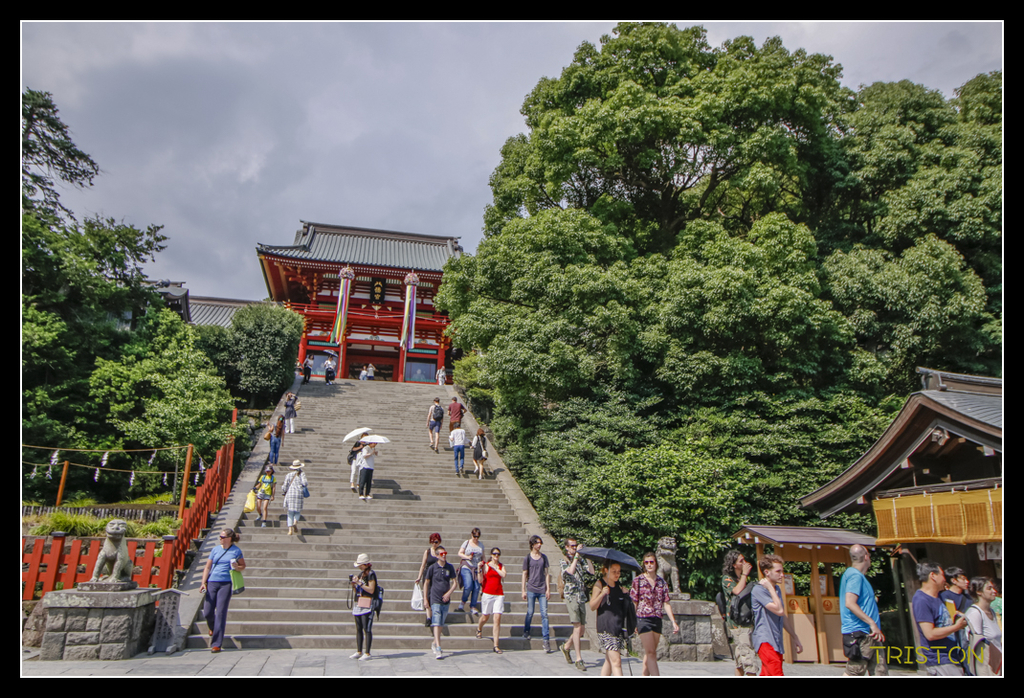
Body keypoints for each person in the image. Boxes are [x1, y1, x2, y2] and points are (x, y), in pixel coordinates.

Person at [911, 560, 968, 676]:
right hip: (939, 660)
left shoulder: (938, 597)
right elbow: (930, 634)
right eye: (942, 575)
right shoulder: (922, 600)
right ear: (933, 576)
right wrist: (956, 627)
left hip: (951, 656)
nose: (944, 579)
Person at [839, 544, 888, 676]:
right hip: (861, 632)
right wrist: (871, 622)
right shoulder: (855, 576)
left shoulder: (856, 576)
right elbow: (850, 602)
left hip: (871, 634)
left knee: (880, 671)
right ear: (866, 557)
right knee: (854, 672)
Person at [751, 554, 803, 676]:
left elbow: (782, 615)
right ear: (767, 572)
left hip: (776, 641)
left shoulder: (776, 590)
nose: (782, 575)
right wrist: (770, 588)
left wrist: (794, 637)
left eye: (782, 571)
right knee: (777, 673)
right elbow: (778, 610)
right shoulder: (759, 590)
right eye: (778, 571)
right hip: (765, 640)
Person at [631, 551, 680, 676]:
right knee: (651, 652)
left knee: (650, 654)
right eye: (646, 562)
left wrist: (673, 621)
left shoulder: (662, 582)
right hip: (643, 618)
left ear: (656, 564)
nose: (649, 565)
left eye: (651, 562)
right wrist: (632, 621)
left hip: (657, 619)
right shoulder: (638, 580)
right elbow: (634, 603)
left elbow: (666, 603)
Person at [200, 528, 245, 652]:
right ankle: (213, 627)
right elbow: (207, 566)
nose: (220, 538)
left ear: (229, 538)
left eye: (222, 537)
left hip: (226, 583)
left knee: (220, 612)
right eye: (220, 537)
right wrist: (203, 582)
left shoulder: (236, 551)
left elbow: (243, 566)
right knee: (208, 611)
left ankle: (216, 643)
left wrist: (237, 567)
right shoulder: (215, 550)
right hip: (212, 582)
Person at [721, 550, 759, 676]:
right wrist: (745, 575)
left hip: (746, 621)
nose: (744, 563)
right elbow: (737, 591)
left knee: (740, 656)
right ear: (734, 565)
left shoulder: (742, 578)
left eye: (744, 560)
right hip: (736, 623)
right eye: (741, 561)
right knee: (748, 657)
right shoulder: (727, 579)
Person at [559, 537, 591, 671]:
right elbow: (570, 572)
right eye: (572, 546)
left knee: (582, 629)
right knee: (577, 627)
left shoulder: (580, 559)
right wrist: (577, 556)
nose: (574, 548)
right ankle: (579, 659)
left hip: (581, 595)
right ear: (566, 547)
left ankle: (566, 646)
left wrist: (588, 556)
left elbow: (591, 571)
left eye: (575, 546)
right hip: (571, 596)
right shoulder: (564, 560)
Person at [590, 561, 628, 676]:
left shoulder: (619, 586)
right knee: (616, 661)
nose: (617, 574)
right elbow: (592, 606)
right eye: (614, 572)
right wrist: (602, 594)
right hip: (606, 627)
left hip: (617, 627)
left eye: (619, 572)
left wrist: (626, 594)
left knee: (609, 660)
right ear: (606, 570)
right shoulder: (600, 584)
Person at [422, 545, 457, 659]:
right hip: (435, 598)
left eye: (445, 553)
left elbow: (455, 583)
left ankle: (434, 642)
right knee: (436, 621)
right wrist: (425, 599)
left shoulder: (449, 567)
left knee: (441, 622)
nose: (444, 555)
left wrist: (449, 593)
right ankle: (438, 647)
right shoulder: (432, 568)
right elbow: (426, 583)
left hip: (445, 600)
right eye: (441, 554)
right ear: (437, 555)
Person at [965, 576, 1002, 676]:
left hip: (997, 664)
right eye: (989, 588)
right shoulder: (974, 613)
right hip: (986, 667)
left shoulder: (992, 612)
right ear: (979, 592)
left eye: (993, 588)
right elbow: (976, 644)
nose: (994, 591)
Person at [521, 534, 552, 652]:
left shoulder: (544, 557)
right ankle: (526, 630)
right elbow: (524, 574)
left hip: (542, 588)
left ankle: (546, 640)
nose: (539, 545)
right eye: (537, 543)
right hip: (531, 588)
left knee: (544, 614)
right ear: (532, 544)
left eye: (540, 543)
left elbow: (546, 574)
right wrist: (523, 589)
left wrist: (548, 589)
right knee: (530, 612)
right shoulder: (527, 558)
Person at [941, 565, 973, 667]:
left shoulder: (968, 596)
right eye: (963, 579)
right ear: (954, 581)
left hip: (970, 633)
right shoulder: (944, 596)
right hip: (955, 635)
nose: (967, 581)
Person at [476, 547, 506, 653]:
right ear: (491, 555)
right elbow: (480, 580)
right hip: (487, 593)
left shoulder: (500, 566)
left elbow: (504, 574)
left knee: (497, 619)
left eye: (498, 554)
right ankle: (479, 628)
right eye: (494, 554)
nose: (496, 556)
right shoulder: (486, 566)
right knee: (485, 617)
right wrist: (479, 569)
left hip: (499, 594)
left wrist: (495, 568)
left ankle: (496, 645)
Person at [349, 553, 377, 661]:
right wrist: (354, 585)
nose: (359, 567)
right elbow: (358, 591)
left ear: (365, 564)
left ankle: (367, 652)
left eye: (360, 564)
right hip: (359, 602)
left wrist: (359, 584)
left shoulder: (371, 574)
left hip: (367, 603)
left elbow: (371, 589)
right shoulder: (361, 574)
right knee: (359, 628)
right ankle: (359, 650)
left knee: (367, 628)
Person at [415, 533, 444, 627]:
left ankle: (434, 615)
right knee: (427, 595)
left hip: (437, 576)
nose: (434, 544)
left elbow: (444, 562)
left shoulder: (441, 551)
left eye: (436, 542)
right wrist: (419, 577)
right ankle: (428, 617)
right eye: (432, 542)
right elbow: (423, 565)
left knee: (434, 595)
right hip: (428, 575)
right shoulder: (427, 552)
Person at [457, 528, 484, 615]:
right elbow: (460, 553)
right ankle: (463, 602)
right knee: (468, 585)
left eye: (478, 537)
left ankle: (473, 606)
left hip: (477, 568)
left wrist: (483, 566)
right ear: (471, 535)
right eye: (474, 536)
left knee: (476, 587)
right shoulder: (467, 542)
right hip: (467, 566)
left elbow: (483, 557)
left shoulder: (481, 545)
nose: (476, 538)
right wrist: (467, 557)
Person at [281, 460, 308, 537]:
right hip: (299, 494)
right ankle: (295, 522)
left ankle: (290, 530)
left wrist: (283, 490)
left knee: (290, 513)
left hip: (290, 494)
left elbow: (285, 486)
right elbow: (305, 483)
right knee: (297, 511)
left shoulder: (289, 475)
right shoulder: (302, 474)